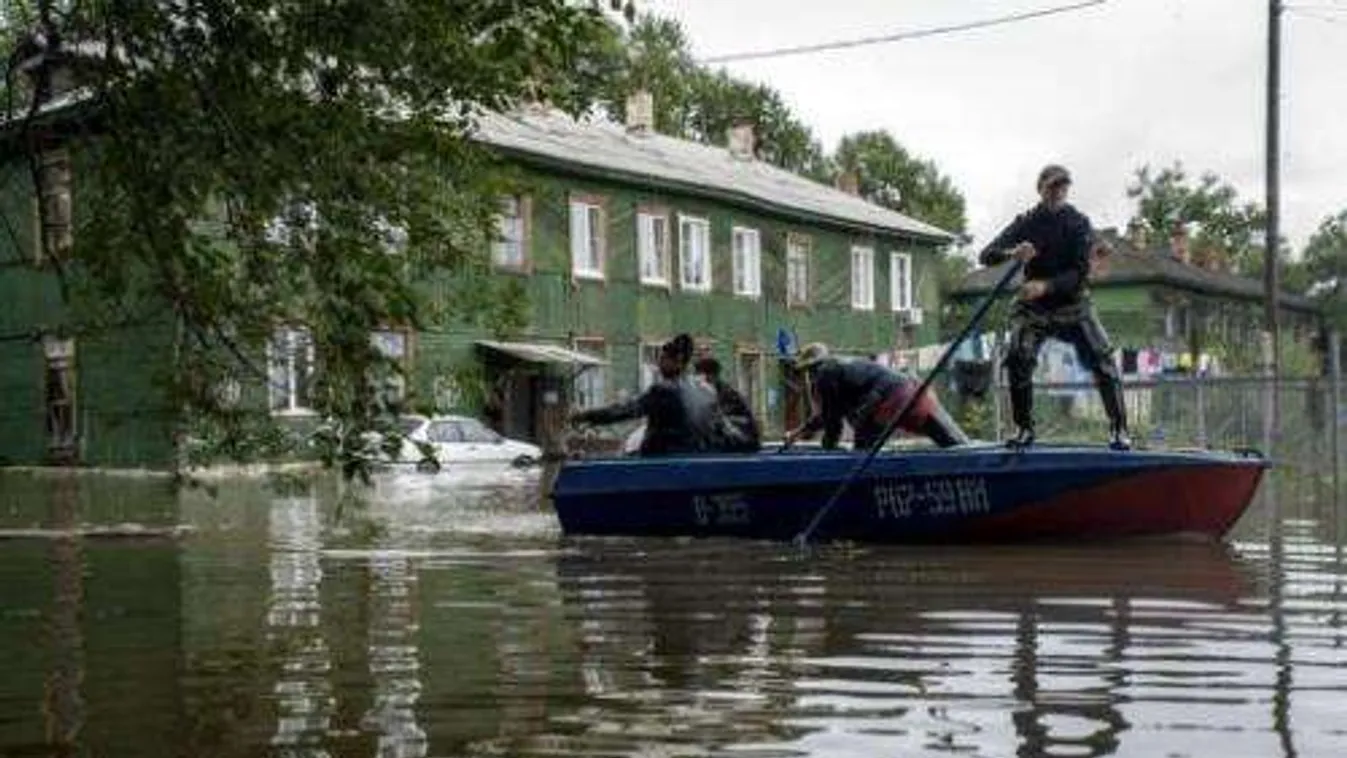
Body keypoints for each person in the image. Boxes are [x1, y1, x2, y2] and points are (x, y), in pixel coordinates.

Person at [979, 164, 1131, 451]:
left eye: (1063, 186)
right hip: (1034, 309)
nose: (1058, 192)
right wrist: (1013, 252)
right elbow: (985, 255)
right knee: (1018, 355)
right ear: (1041, 189)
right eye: (1052, 187)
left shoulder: (1078, 223)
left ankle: (1119, 429)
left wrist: (1045, 286)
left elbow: (1079, 273)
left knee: (1103, 358)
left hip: (1073, 303)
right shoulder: (1026, 222)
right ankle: (1024, 429)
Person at [782, 343, 970, 451]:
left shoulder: (825, 374)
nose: (809, 377)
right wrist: (799, 432)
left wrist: (827, 452)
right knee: (953, 443)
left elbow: (833, 422)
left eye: (807, 371)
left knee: (862, 450)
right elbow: (827, 415)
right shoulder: (842, 370)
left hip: (888, 399)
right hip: (914, 392)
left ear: (812, 367)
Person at [568, 333, 721, 456]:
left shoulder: (664, 390)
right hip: (697, 462)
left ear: (678, 361)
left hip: (660, 466)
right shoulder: (707, 391)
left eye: (662, 359)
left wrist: (584, 415)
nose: (658, 364)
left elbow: (625, 410)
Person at [693, 356, 762, 453]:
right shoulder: (713, 393)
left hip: (738, 452)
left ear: (710, 376)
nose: (696, 382)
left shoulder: (727, 395)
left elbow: (723, 424)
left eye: (699, 377)